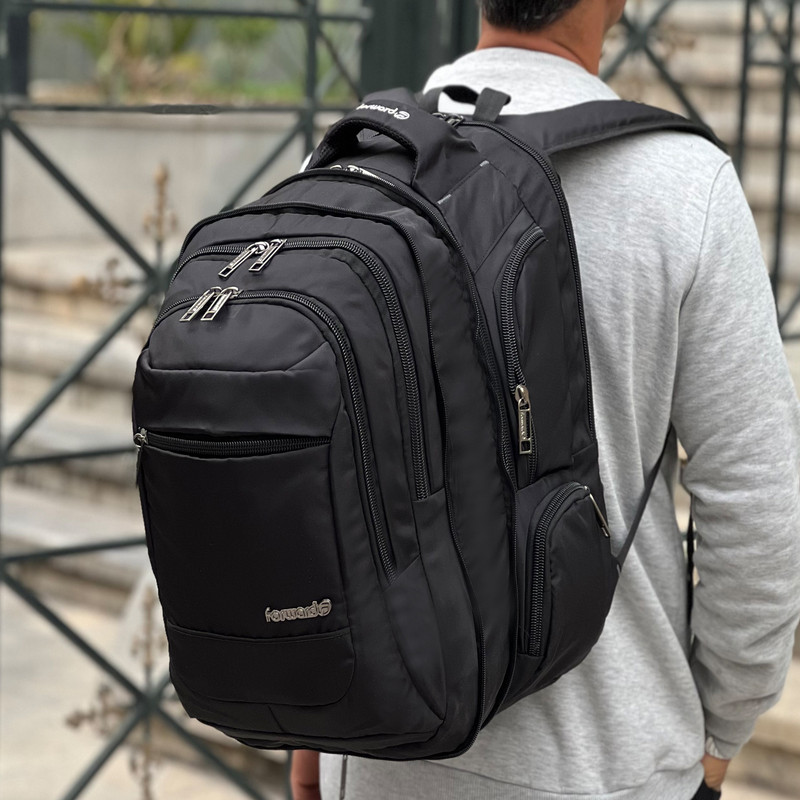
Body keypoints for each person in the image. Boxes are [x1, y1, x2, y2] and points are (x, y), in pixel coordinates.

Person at [292, 1, 800, 797]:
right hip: (608, 765)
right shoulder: (682, 185)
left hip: (382, 750)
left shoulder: (354, 157)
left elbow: (307, 470)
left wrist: (315, 716)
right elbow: (758, 507)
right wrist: (720, 730)